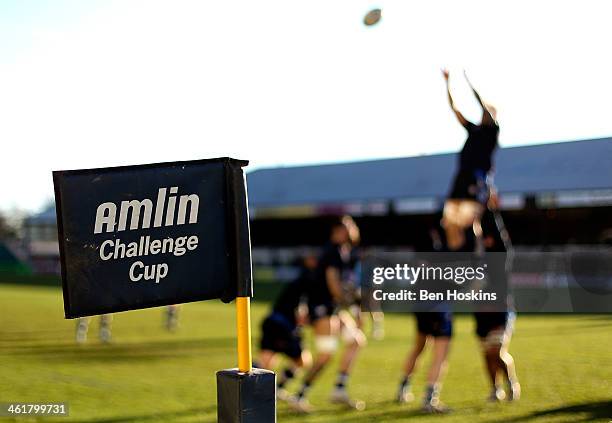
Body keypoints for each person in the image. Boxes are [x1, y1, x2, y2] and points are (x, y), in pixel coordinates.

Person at [291, 216, 366, 413]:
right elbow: (333, 285)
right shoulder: (333, 251)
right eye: (348, 226)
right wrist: (351, 304)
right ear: (338, 231)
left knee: (356, 341)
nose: (352, 229)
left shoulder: (344, 252)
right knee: (325, 355)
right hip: (323, 309)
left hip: (333, 309)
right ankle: (299, 394)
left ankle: (339, 389)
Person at [442, 69, 499, 251]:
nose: (484, 113)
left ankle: (477, 257)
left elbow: (481, 103)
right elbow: (454, 109)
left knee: (472, 220)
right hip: (461, 178)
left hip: (476, 180)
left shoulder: (492, 131)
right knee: (450, 222)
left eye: (487, 112)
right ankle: (457, 259)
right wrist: (448, 83)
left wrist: (468, 80)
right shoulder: (473, 129)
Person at [474, 192, 521, 402]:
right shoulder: (475, 256)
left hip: (500, 307)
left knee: (497, 351)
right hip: (481, 309)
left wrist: (489, 207)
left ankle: (511, 381)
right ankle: (495, 389)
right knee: (486, 353)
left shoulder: (500, 255)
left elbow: (494, 226)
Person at [255, 256, 314, 401]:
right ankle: (276, 387)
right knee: (302, 361)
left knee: (266, 361)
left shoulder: (299, 280)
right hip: (283, 327)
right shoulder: (307, 282)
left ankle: (265, 387)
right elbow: (301, 313)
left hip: (271, 322)